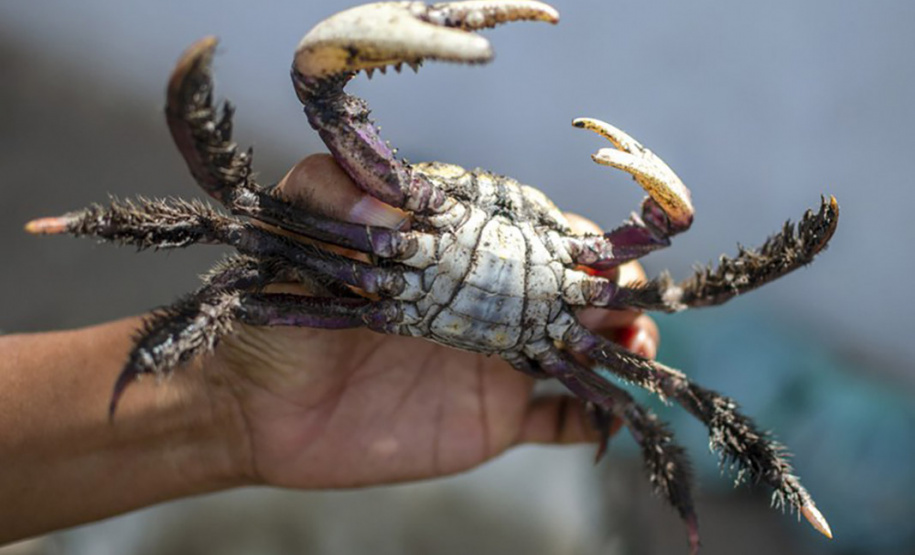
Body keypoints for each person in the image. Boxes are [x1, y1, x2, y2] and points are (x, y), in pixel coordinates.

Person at [0, 155, 659, 544]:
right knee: (244, 222)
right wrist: (218, 391)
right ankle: (86, 222)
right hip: (369, 311)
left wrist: (224, 405)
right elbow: (236, 212)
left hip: (487, 349)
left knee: (660, 352)